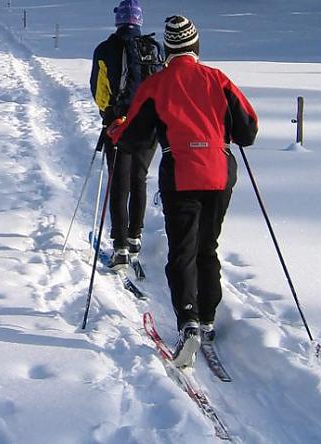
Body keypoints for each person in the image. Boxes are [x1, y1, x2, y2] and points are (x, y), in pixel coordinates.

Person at [108, 15, 258, 367]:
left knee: (183, 250)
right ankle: (207, 318)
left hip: (181, 173)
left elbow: (133, 140)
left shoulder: (157, 85)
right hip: (220, 172)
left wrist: (115, 128)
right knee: (208, 246)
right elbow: (248, 131)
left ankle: (188, 320)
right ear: (195, 46)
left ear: (168, 49)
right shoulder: (218, 79)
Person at [89, 0, 158, 271]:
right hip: (149, 125)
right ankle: (135, 235)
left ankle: (120, 246)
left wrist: (107, 114)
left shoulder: (105, 49)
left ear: (118, 21)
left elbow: (99, 89)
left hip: (118, 124)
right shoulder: (153, 47)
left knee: (119, 182)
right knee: (138, 177)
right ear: (139, 21)